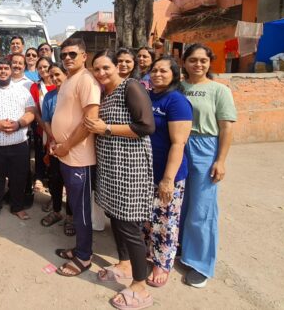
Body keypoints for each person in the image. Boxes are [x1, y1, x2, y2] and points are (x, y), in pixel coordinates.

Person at [83, 49, 155, 310]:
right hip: (111, 167)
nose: (101, 73)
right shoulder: (106, 93)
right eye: (97, 69)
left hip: (130, 167)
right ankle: (124, 264)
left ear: (117, 67)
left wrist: (108, 128)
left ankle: (140, 286)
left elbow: (147, 126)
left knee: (128, 226)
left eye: (106, 68)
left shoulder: (131, 87)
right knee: (116, 217)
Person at [180, 43, 237, 288]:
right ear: (184, 62)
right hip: (179, 146)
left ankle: (200, 264)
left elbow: (227, 127)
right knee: (179, 202)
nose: (198, 64)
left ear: (209, 62)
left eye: (203, 60)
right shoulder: (178, 86)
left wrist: (221, 160)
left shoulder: (219, 90)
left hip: (205, 147)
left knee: (202, 208)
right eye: (193, 60)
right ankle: (180, 247)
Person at [50, 38, 101, 277]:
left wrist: (66, 146)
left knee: (80, 211)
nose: (67, 58)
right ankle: (79, 249)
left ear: (84, 55)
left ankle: (84, 257)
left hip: (79, 157)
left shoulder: (86, 80)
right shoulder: (69, 80)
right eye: (64, 55)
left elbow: (90, 121)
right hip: (66, 154)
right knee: (75, 206)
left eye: (72, 54)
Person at [143, 56, 192, 287]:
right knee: (148, 218)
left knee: (165, 219)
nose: (157, 74)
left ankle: (162, 263)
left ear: (174, 74)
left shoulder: (177, 101)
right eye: (154, 70)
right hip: (146, 171)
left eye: (163, 70)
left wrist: (168, 179)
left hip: (167, 173)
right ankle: (148, 253)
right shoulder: (149, 96)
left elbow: (178, 143)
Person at [0, 57, 36, 227]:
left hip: (19, 144)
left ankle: (17, 207)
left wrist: (19, 124)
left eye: (6, 68)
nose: (3, 71)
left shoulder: (22, 90)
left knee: (19, 177)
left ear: (11, 70)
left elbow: (31, 111)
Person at [40, 63, 73, 232]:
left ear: (66, 74)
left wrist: (67, 143)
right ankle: (56, 211)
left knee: (71, 183)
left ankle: (70, 216)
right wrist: (52, 139)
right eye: (51, 75)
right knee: (55, 179)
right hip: (54, 147)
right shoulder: (49, 97)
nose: (55, 78)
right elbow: (46, 120)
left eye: (58, 74)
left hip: (73, 148)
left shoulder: (74, 94)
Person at [28, 56, 55, 194]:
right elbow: (34, 110)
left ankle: (53, 185)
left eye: (45, 66)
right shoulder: (35, 87)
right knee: (40, 153)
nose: (43, 70)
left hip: (59, 129)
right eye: (40, 67)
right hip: (41, 128)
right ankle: (39, 177)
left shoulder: (60, 83)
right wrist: (45, 128)